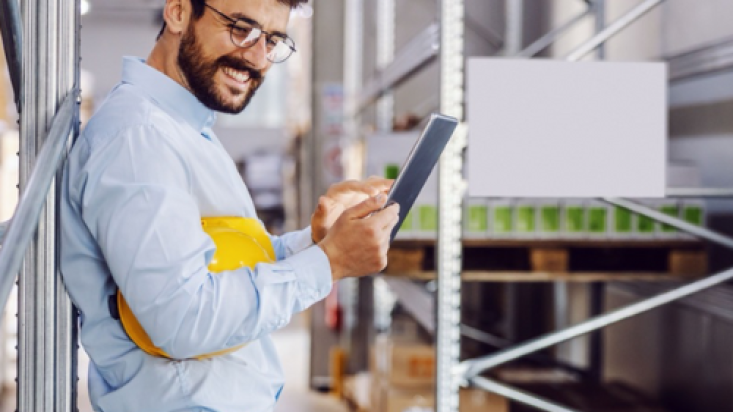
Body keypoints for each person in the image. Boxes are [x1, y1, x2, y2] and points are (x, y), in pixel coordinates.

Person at [60, 0, 400, 410]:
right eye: (242, 28)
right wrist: (329, 264)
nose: (258, 57)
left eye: (273, 39)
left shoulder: (181, 128)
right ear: (179, 12)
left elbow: (222, 264)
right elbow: (183, 318)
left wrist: (317, 244)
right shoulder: (140, 139)